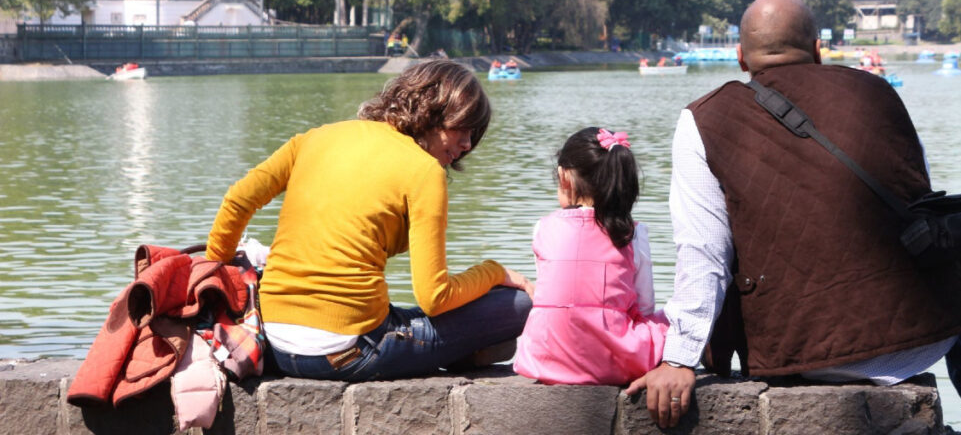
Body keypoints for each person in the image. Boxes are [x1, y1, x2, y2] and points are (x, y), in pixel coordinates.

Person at [627, 0, 961, 435]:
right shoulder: (877, 92)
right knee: (939, 244)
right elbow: (918, 200)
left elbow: (704, 251)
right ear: (817, 50)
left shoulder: (703, 119)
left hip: (796, 350)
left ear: (740, 59)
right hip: (921, 336)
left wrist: (679, 358)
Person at [205, 59, 534, 382]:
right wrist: (495, 272)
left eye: (473, 136)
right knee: (517, 304)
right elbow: (435, 298)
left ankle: (461, 350)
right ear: (433, 110)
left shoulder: (314, 138)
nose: (467, 145)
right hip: (350, 351)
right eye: (463, 129)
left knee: (410, 317)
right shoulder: (424, 171)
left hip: (274, 342)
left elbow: (238, 200)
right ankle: (465, 350)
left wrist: (213, 276)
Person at [513, 128, 669, 385]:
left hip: (544, 359)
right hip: (616, 363)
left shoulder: (543, 228)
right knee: (670, 321)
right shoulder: (633, 233)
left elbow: (550, 295)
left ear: (564, 177)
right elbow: (645, 307)